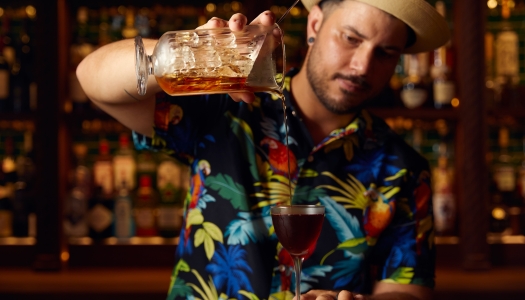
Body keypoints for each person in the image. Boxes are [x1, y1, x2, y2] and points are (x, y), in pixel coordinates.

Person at [77, 0, 450, 299]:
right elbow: (92, 78)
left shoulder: (403, 166)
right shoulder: (227, 108)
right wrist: (195, 53)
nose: (362, 66)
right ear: (315, 25)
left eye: (385, 53)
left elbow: (408, 286)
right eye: (351, 39)